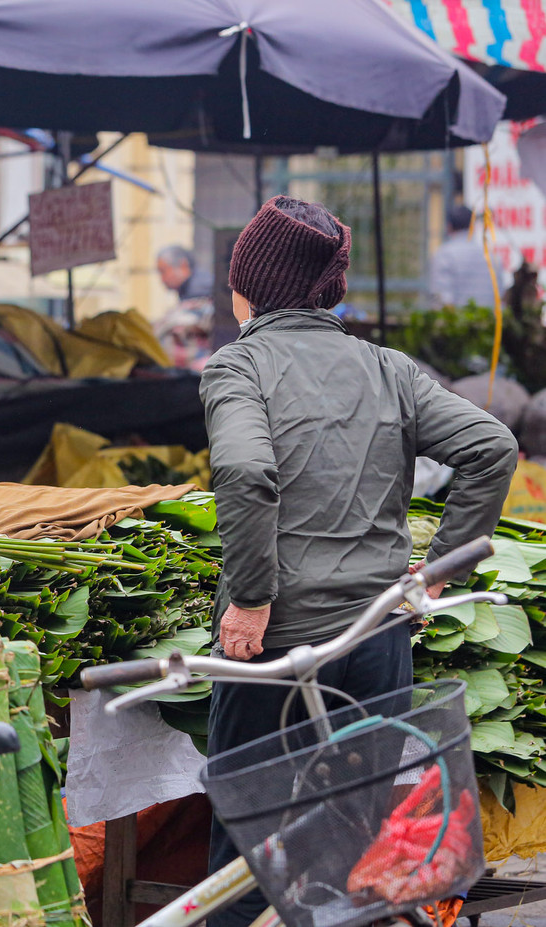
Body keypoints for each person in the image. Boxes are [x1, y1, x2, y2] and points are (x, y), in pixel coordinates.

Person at [201, 195, 517, 927]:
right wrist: (436, 575)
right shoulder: (387, 368)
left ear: (252, 282)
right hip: (377, 641)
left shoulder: (238, 365)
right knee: (360, 854)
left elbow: (247, 474)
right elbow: (491, 447)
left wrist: (250, 598)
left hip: (276, 654)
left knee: (252, 857)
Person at [426, 204, 504, 308]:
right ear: (473, 226)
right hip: (490, 320)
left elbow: (442, 299)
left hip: (459, 322)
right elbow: (500, 294)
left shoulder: (444, 255)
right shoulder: (491, 254)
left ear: (449, 226)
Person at [154, 245, 215, 370]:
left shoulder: (199, 290)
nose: (162, 278)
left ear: (183, 265)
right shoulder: (190, 288)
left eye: (163, 271)